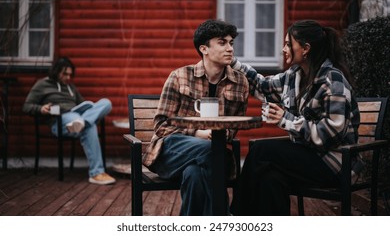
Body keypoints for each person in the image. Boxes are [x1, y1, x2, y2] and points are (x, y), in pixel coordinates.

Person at [230, 20, 364, 215]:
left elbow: (328, 135)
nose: (283, 49)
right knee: (270, 178)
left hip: (334, 163)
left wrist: (286, 119)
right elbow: (262, 86)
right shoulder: (294, 76)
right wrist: (232, 62)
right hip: (309, 156)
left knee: (260, 149)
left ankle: (235, 216)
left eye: (288, 44)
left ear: (305, 48)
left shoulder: (333, 81)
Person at [143, 19, 249, 215]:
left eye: (231, 43)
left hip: (211, 154)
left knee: (195, 175)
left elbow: (234, 127)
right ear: (204, 48)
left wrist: (221, 133)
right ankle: (225, 219)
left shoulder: (240, 82)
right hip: (172, 151)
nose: (230, 49)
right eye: (222, 42)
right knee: (213, 151)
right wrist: (199, 133)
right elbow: (161, 125)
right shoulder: (179, 76)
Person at [23, 56, 116, 185]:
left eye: (70, 75)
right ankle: (97, 173)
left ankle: (83, 122)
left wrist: (88, 109)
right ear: (56, 72)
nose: (68, 78)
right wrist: (41, 109)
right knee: (87, 124)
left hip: (76, 119)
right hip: (59, 121)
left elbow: (82, 104)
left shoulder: (71, 88)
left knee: (106, 103)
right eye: (65, 74)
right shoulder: (42, 84)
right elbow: (26, 106)